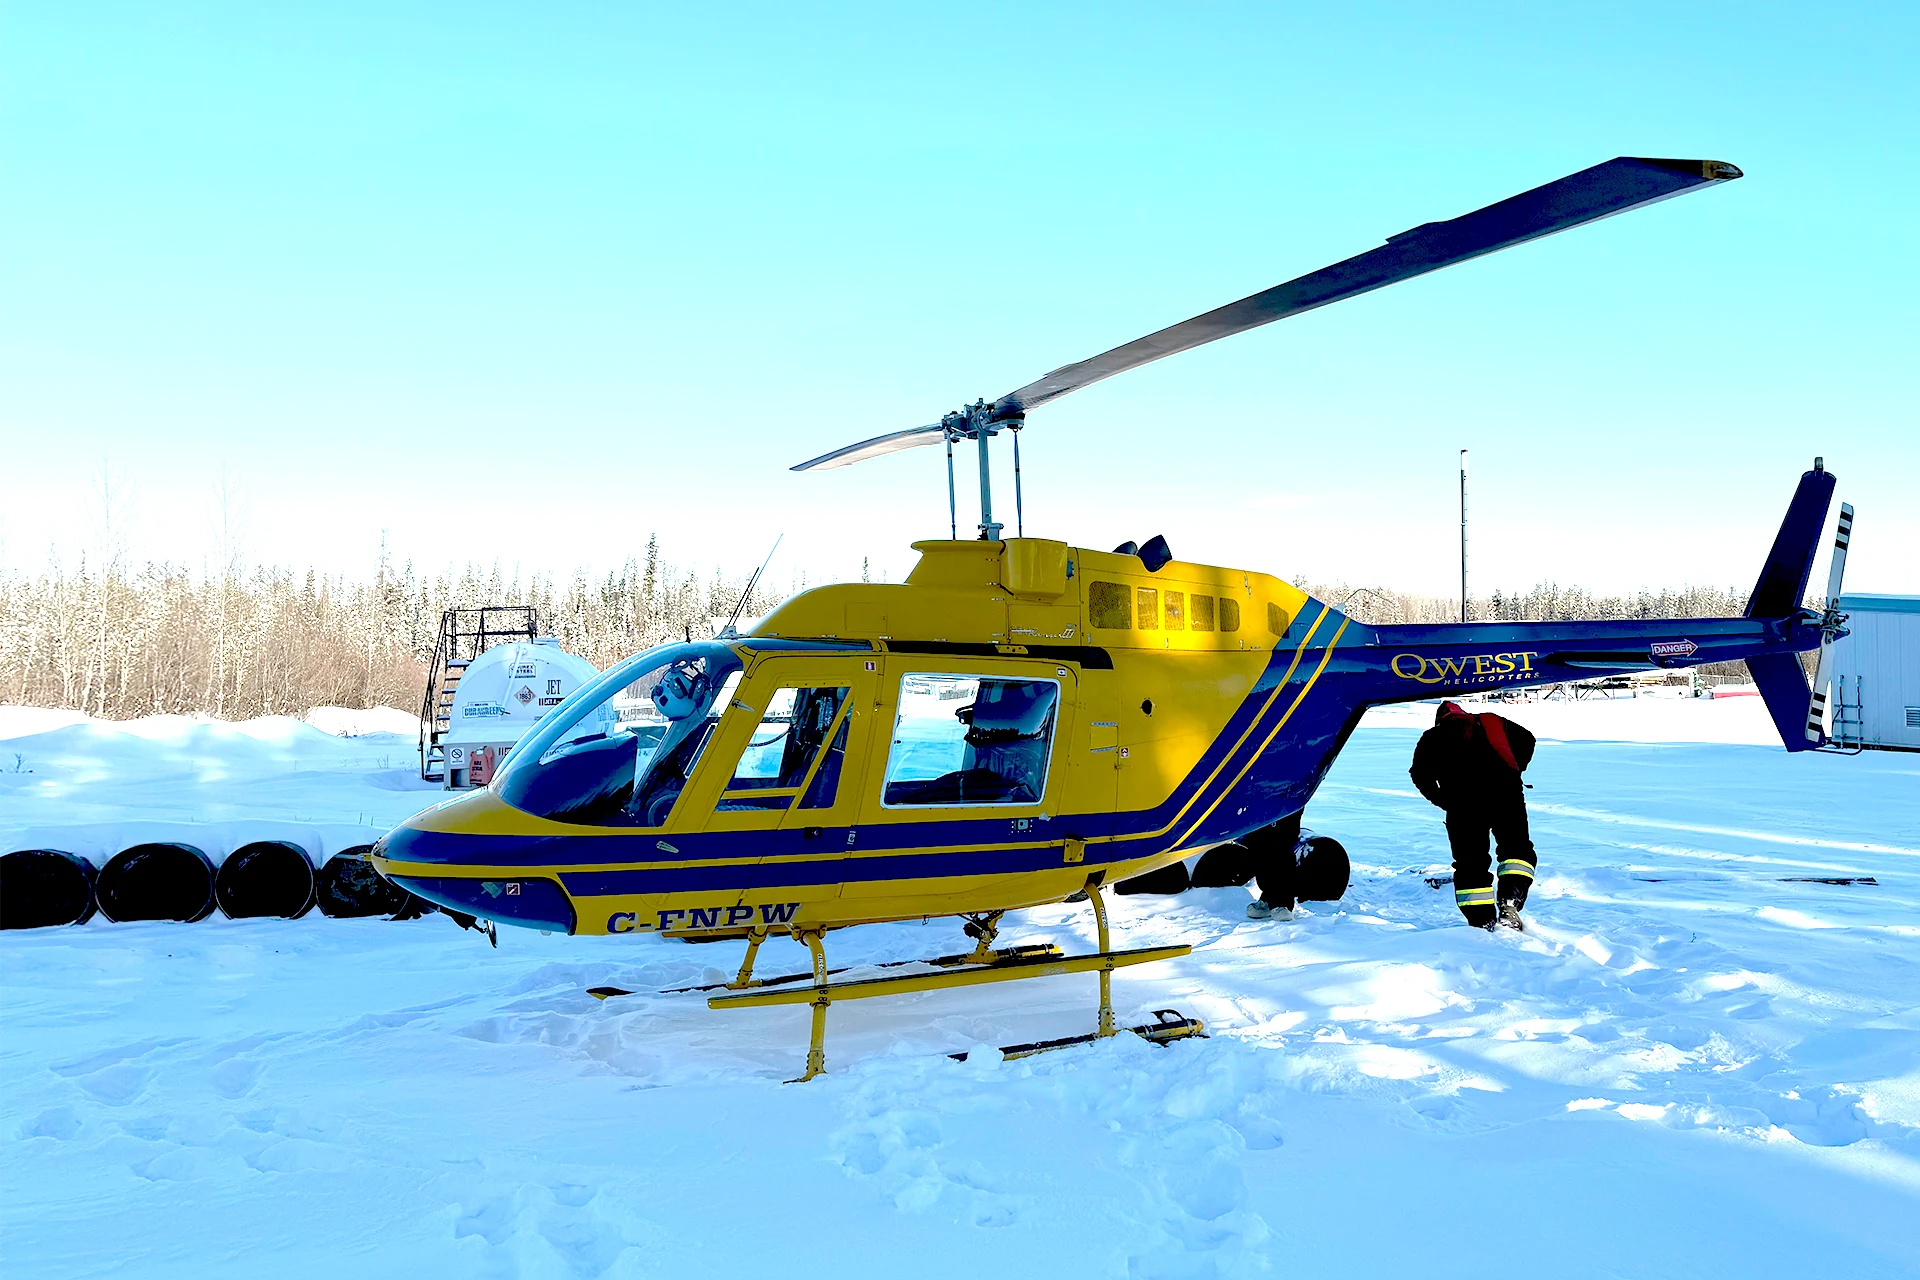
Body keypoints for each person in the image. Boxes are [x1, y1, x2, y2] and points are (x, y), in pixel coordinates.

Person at [1410, 700, 1537, 930]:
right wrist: (1515, 768)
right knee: (1516, 850)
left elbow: (1420, 775)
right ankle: (1510, 905)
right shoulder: (1492, 722)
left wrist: (1443, 801)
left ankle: (1482, 922)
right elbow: (1527, 740)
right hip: (1506, 797)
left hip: (1463, 806)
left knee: (1471, 863)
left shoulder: (1432, 737)